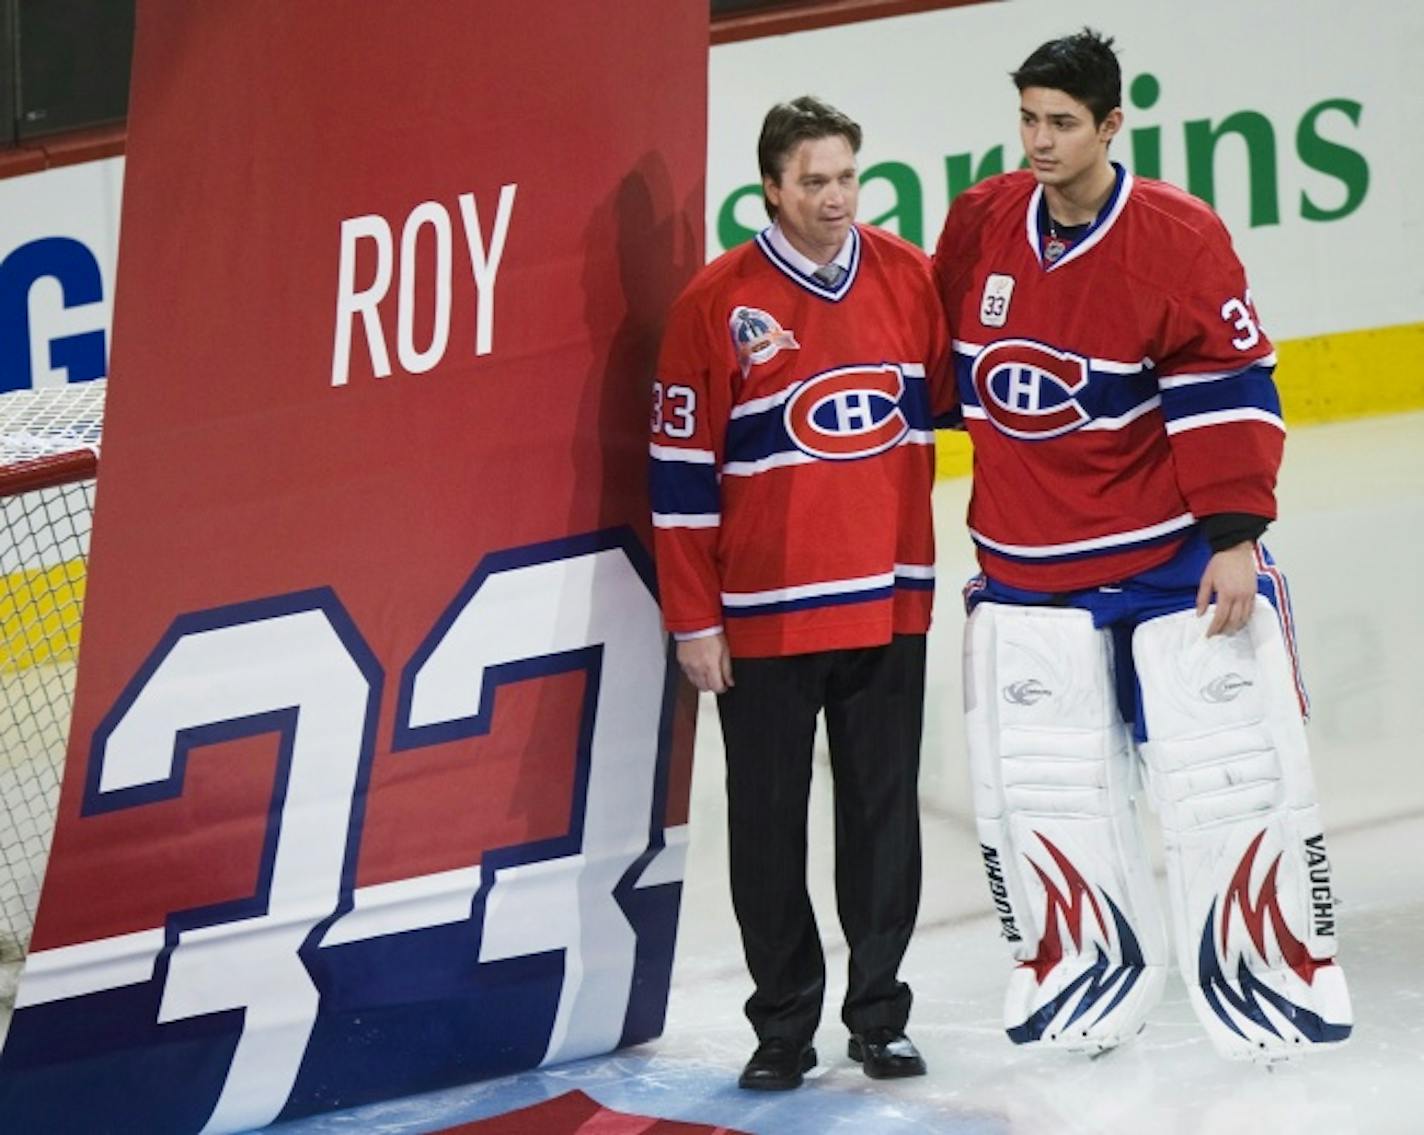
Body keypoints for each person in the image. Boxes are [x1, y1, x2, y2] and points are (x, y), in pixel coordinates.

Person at [932, 28, 1353, 1061]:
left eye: (1060, 123)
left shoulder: (1175, 235)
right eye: (1026, 118)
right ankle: (1078, 967)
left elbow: (1230, 387)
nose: (1037, 141)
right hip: (1029, 568)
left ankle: (1268, 967)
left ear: (1110, 125)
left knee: (1226, 781)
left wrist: (1233, 540)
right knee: (1047, 793)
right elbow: (943, 372)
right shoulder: (982, 220)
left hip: (1166, 560)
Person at [650, 96, 950, 1090]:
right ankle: (782, 1025)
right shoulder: (713, 304)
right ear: (769, 187)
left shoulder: (908, 278)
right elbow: (681, 480)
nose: (833, 199)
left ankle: (878, 1015)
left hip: (887, 605)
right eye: (812, 181)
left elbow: (960, 408)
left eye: (846, 178)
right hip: (764, 621)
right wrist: (693, 619)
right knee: (767, 829)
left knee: (880, 818)